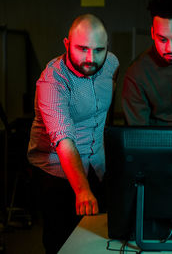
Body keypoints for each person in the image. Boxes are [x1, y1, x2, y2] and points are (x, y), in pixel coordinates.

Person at [27, 14, 119, 253]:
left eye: (99, 50)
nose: (91, 58)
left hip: (98, 165)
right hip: (56, 172)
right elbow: (64, 142)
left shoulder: (111, 63)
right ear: (67, 44)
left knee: (99, 240)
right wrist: (82, 190)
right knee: (63, 244)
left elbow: (106, 113)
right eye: (82, 49)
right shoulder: (52, 81)